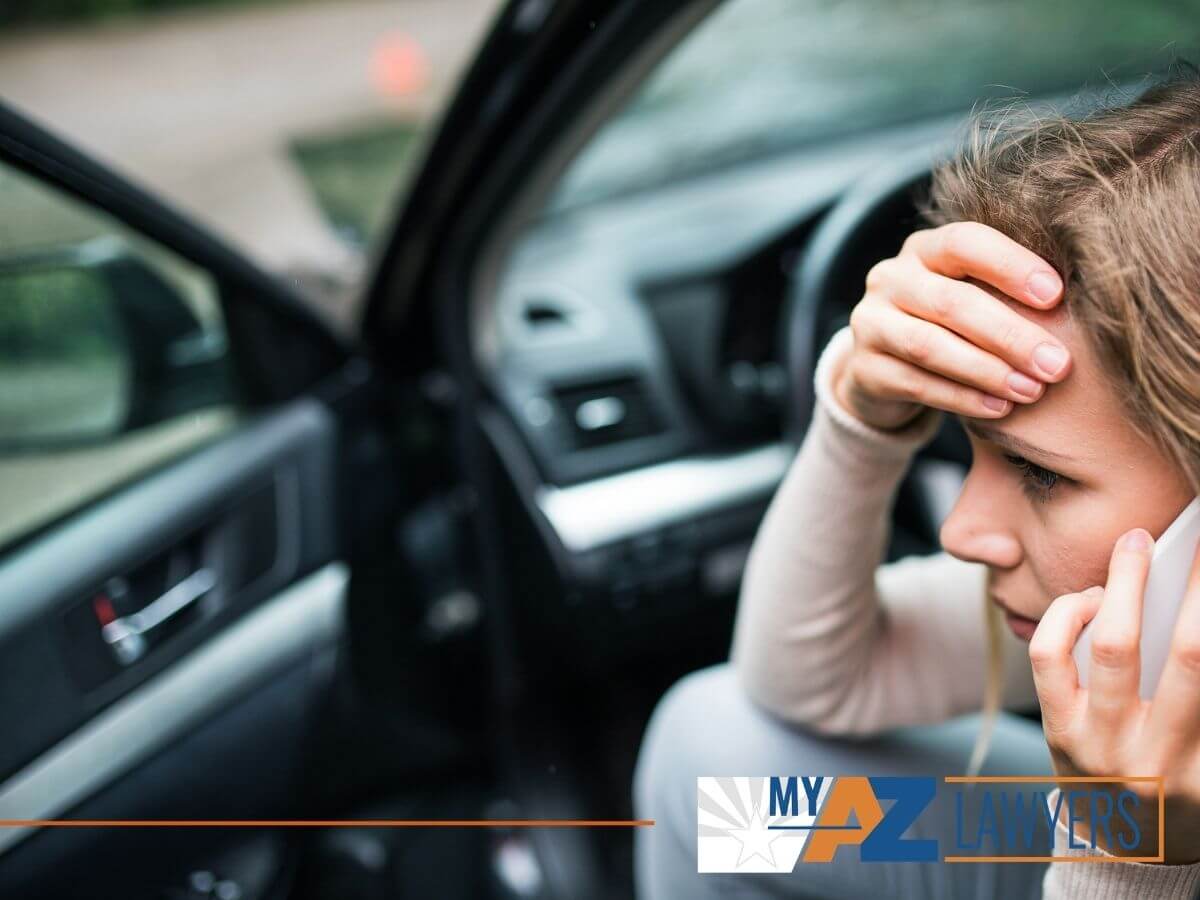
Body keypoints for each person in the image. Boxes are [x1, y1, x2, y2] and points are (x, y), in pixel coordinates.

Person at [633, 68, 1200, 899]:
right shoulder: (1122, 622)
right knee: (725, 780)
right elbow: (820, 680)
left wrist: (1123, 854)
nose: (961, 531)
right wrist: (860, 409)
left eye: (1041, 472)